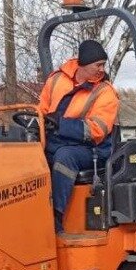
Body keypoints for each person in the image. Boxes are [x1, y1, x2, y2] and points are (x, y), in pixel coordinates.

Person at [37, 40, 119, 232]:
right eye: (97, 65)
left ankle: (55, 217)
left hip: (93, 149)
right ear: (83, 63)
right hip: (57, 140)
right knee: (28, 153)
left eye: (103, 65)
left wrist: (62, 125)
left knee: (65, 157)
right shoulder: (56, 79)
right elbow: (41, 109)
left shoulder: (105, 91)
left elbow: (97, 130)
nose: (101, 69)